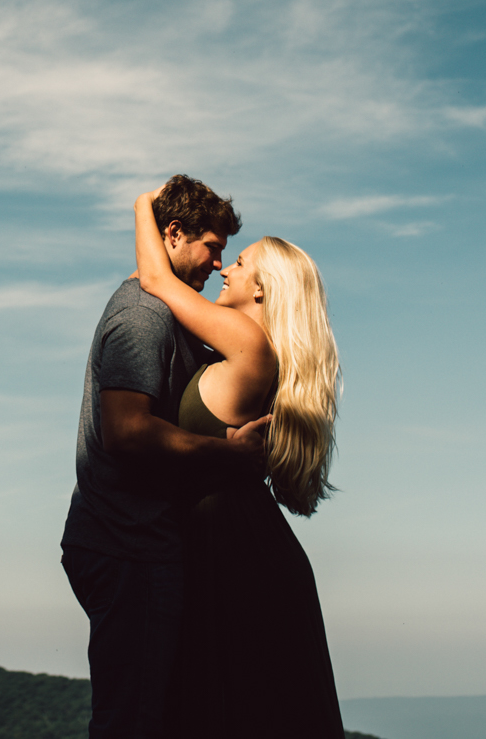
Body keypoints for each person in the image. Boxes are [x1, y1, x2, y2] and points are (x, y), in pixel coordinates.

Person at [130, 186, 346, 739]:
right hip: (239, 546)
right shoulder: (248, 350)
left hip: (236, 552)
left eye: (241, 263)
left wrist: (143, 206)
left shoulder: (250, 343)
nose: (226, 270)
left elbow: (156, 280)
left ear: (262, 289)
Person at [61, 174, 271, 739]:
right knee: (133, 722)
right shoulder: (143, 316)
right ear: (174, 234)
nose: (216, 263)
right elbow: (127, 433)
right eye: (212, 247)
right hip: (129, 544)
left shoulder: (165, 310)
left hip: (128, 541)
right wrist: (230, 456)